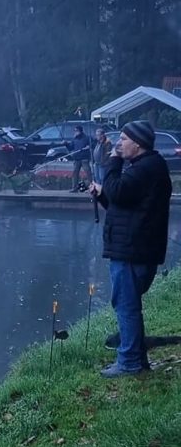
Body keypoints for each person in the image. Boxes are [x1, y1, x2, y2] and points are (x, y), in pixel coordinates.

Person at [91, 119, 172, 377]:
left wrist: (112, 162)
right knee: (129, 304)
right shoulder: (146, 167)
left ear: (137, 144)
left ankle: (129, 363)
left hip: (132, 250)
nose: (119, 144)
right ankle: (137, 358)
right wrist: (103, 194)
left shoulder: (145, 168)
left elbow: (119, 190)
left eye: (123, 140)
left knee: (126, 306)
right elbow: (121, 202)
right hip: (135, 248)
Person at [68, 125, 91, 191]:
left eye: (76, 131)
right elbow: (70, 148)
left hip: (84, 158)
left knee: (88, 172)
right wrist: (66, 144)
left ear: (80, 131)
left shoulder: (86, 138)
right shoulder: (74, 139)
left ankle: (91, 187)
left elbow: (93, 144)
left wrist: (88, 147)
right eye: (75, 131)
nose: (75, 132)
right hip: (76, 158)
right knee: (75, 173)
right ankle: (74, 188)